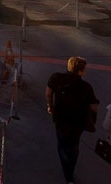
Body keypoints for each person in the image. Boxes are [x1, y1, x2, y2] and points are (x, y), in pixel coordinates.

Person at [46, 56, 99, 184]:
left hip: (60, 118)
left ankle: (67, 172)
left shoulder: (56, 77)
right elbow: (94, 107)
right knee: (74, 145)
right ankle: (70, 169)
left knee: (62, 144)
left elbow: (48, 93)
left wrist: (50, 106)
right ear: (81, 71)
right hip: (78, 122)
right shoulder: (86, 86)